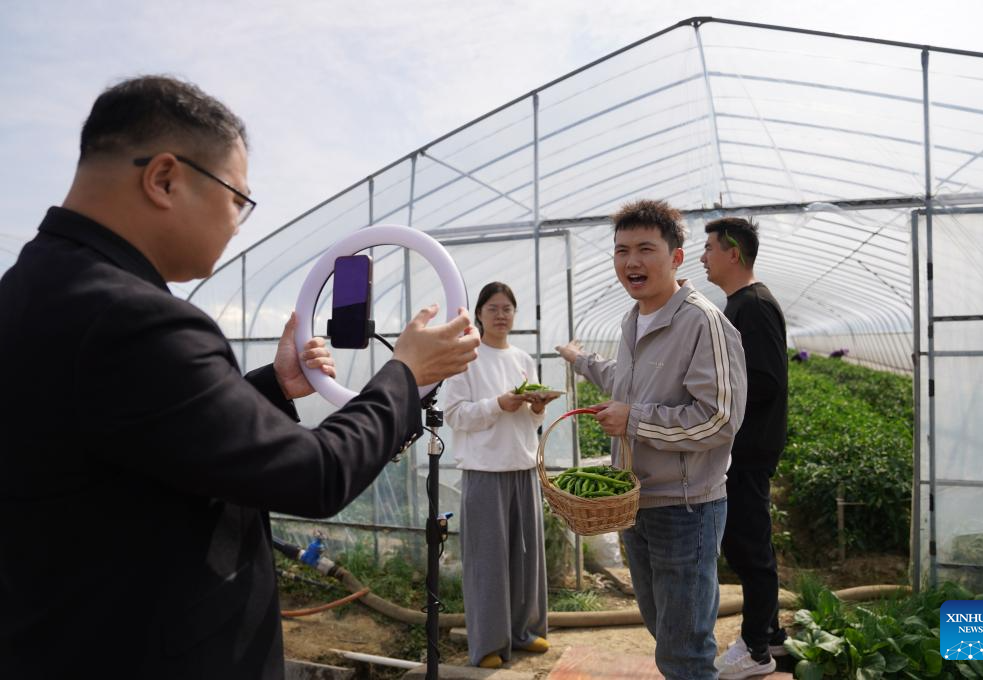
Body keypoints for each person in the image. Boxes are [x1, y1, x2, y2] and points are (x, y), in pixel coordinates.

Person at [0, 75, 480, 679]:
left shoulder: (30, 291)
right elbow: (315, 474)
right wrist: (406, 374)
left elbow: (145, 438)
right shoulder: (134, 319)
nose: (238, 221)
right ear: (165, 179)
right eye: (237, 198)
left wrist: (274, 389)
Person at [556, 199, 747, 680]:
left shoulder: (703, 322)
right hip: (634, 501)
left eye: (645, 248)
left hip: (685, 508)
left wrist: (634, 420)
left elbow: (719, 419)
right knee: (665, 631)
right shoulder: (632, 319)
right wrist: (581, 361)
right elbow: (627, 382)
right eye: (622, 250)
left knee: (685, 652)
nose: (631, 262)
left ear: (677, 257)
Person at [443, 282, 558, 668]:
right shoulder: (466, 359)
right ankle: (489, 644)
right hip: (484, 471)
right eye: (493, 308)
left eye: (508, 308)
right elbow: (455, 414)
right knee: (488, 562)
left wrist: (537, 407)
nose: (501, 314)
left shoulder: (523, 359)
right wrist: (498, 404)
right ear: (479, 314)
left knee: (526, 558)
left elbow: (531, 420)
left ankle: (524, 632)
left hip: (521, 467)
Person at [701, 217, 789, 679]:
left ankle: (756, 649)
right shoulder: (739, 304)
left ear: (733, 252)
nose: (703, 257)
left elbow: (768, 379)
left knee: (749, 547)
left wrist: (717, 402)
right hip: (743, 446)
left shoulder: (752, 306)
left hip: (747, 449)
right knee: (748, 542)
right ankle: (770, 632)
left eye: (710, 248)